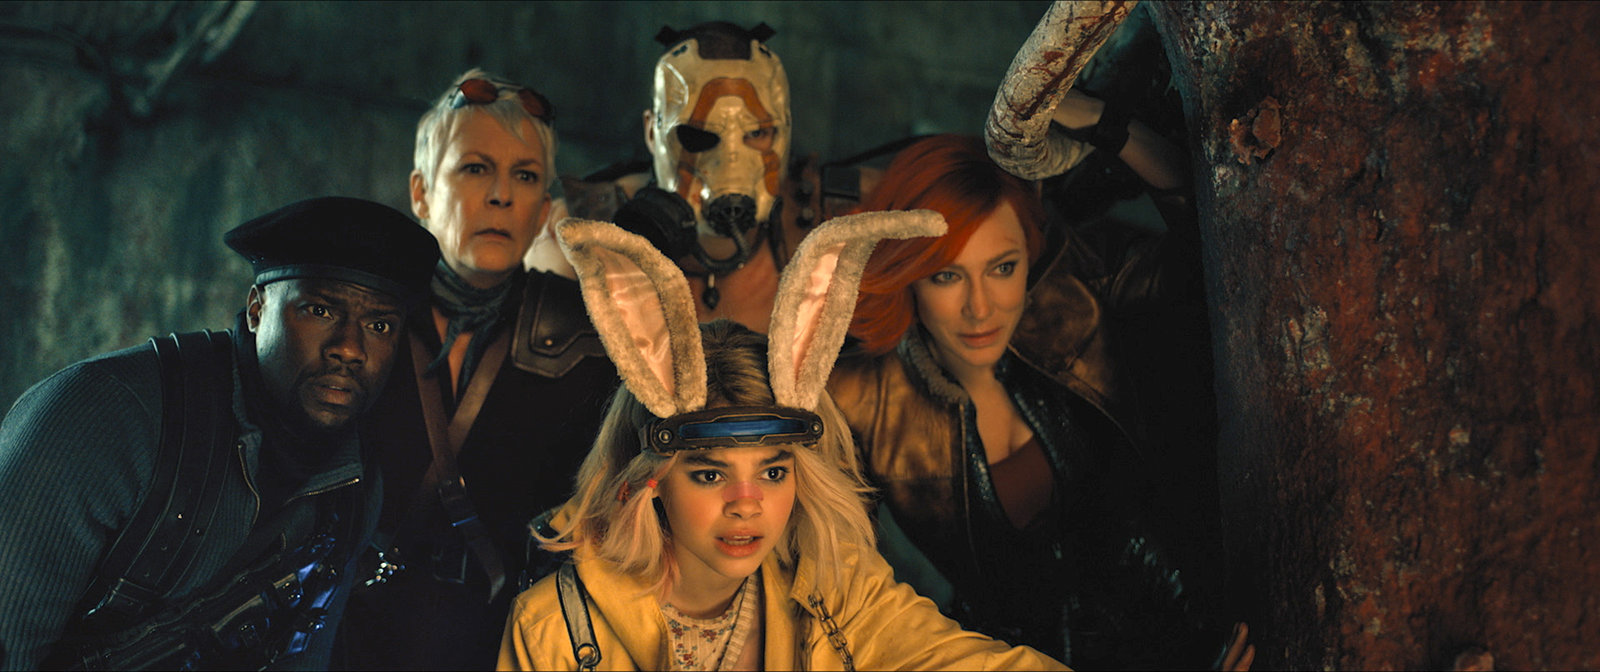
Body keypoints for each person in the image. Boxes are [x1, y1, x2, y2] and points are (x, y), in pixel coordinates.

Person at [500, 212, 1067, 671]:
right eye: (710, 474)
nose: (747, 504)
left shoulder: (837, 589)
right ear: (652, 478)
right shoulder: (551, 630)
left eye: (773, 472)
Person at [827, 134, 1253, 670]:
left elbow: (1217, 242)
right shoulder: (859, 397)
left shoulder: (1075, 294)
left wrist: (1109, 122)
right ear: (908, 275)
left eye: (1002, 268)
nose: (980, 308)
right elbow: (837, 590)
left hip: (1204, 633)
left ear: (1029, 254)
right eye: (946, 276)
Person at [0, 196, 441, 670]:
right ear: (256, 309)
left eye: (379, 325)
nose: (350, 348)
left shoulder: (354, 486)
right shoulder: (101, 418)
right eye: (319, 310)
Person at [332, 68, 619, 670]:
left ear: (544, 213)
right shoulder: (362, 312)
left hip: (505, 643)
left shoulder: (590, 337)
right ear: (421, 193)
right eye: (475, 168)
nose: (501, 195)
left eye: (526, 176)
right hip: (350, 634)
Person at [552, 21, 855, 334]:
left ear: (784, 131)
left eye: (756, 133)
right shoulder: (578, 235)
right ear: (652, 132)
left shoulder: (827, 223)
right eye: (697, 136)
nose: (730, 162)